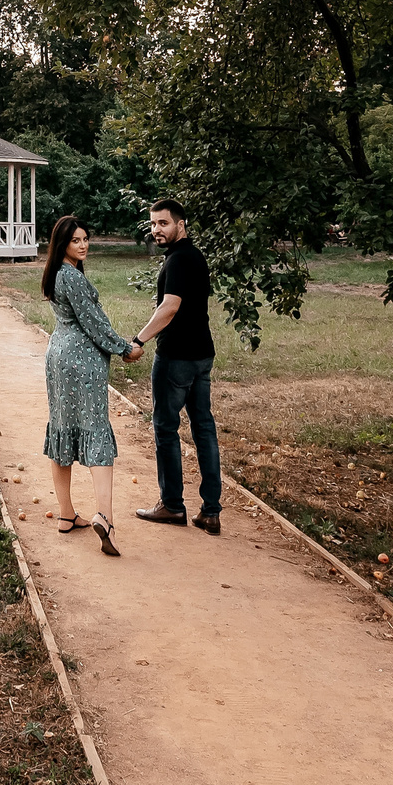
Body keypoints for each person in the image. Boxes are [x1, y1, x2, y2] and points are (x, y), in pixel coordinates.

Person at [39, 213, 139, 556]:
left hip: (57, 356)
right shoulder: (73, 278)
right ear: (63, 245)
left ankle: (67, 514)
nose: (82, 245)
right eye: (75, 240)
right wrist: (126, 347)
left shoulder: (55, 274)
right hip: (82, 362)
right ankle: (105, 517)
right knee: (96, 429)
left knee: (62, 428)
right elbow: (95, 324)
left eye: (85, 239)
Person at [130, 198, 221, 534]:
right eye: (153, 224)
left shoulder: (180, 260)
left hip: (177, 358)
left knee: (166, 430)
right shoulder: (194, 256)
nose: (156, 230)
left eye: (163, 223)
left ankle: (171, 505)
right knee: (204, 430)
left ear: (180, 224)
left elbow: (169, 308)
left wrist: (138, 340)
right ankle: (210, 512)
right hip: (202, 355)